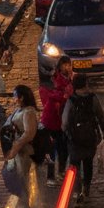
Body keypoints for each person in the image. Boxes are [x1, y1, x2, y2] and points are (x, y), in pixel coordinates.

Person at [62, 74, 104, 203]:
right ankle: (86, 187)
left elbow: (65, 122)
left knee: (74, 165)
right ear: (86, 84)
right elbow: (100, 116)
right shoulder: (93, 99)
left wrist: (66, 133)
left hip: (75, 140)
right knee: (88, 164)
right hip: (90, 137)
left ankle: (77, 191)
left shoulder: (71, 101)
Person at [39, 57, 73, 186]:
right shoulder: (55, 81)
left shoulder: (70, 80)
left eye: (69, 65)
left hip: (62, 122)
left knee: (63, 148)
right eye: (64, 65)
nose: (67, 68)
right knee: (52, 150)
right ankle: (51, 176)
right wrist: (63, 97)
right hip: (52, 120)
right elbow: (48, 95)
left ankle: (61, 171)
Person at [2, 85, 40, 188]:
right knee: (17, 178)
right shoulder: (19, 110)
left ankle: (26, 202)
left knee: (24, 179)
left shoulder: (28, 112)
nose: (13, 99)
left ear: (21, 97)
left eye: (15, 96)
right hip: (17, 150)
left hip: (25, 151)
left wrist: (16, 145)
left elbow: (29, 133)